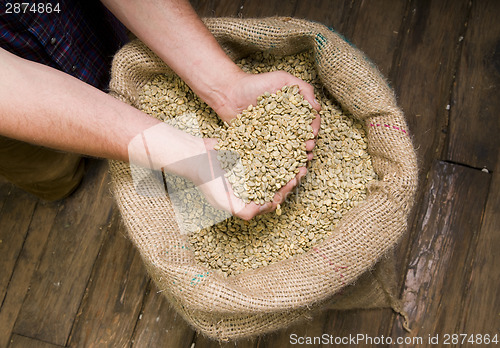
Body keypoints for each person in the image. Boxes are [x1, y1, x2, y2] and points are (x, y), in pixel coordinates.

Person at [0, 0, 320, 220]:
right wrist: (189, 156)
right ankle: (64, 178)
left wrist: (225, 86)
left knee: (110, 52)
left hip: (67, 19)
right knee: (55, 174)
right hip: (14, 112)